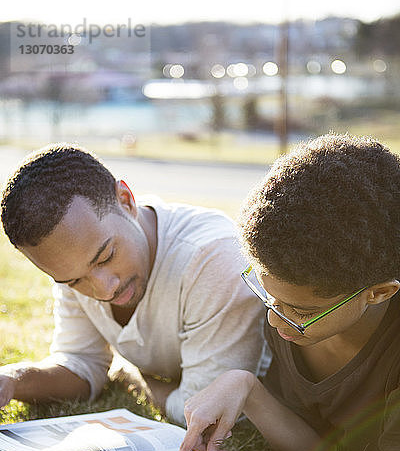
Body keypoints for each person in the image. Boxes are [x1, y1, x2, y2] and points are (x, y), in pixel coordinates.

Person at [155, 133, 400, 451]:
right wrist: (248, 388)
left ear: (379, 293)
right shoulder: (289, 308)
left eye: (301, 310)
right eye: (269, 296)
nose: (275, 318)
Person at [0, 144, 267, 425]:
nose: (103, 290)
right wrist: (13, 380)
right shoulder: (75, 257)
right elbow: (82, 364)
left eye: (106, 257)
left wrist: (132, 375)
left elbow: (207, 413)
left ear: (126, 200)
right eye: (74, 281)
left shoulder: (212, 258)